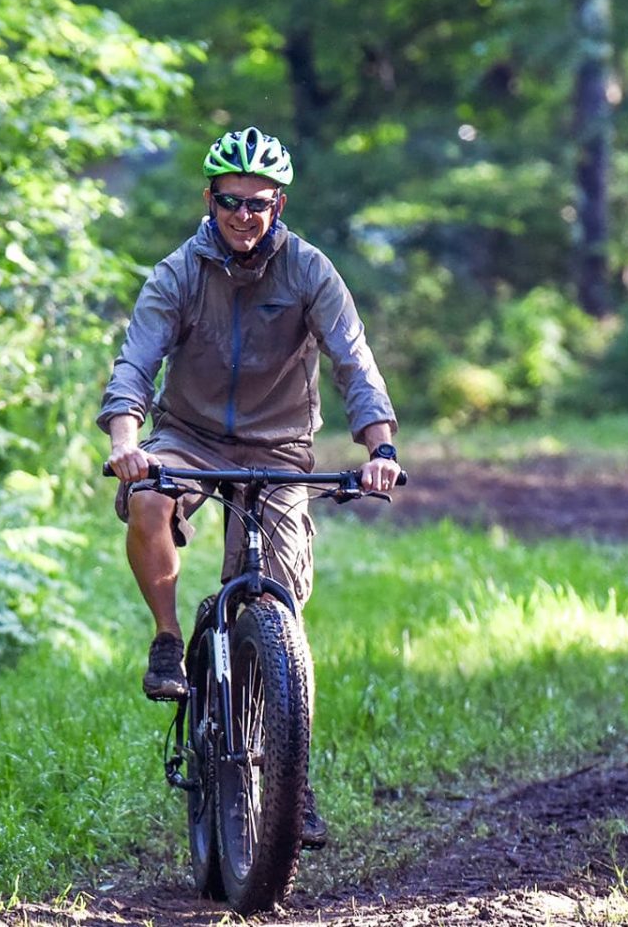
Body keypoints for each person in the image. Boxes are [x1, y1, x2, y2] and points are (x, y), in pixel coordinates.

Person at [98, 126, 401, 850]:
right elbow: (135, 362)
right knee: (148, 501)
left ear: (279, 205)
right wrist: (125, 444)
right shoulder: (177, 272)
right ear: (209, 199)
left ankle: (290, 785)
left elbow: (354, 363)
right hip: (189, 438)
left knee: (276, 605)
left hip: (279, 449)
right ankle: (170, 641)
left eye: (259, 204)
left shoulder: (309, 270)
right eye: (230, 201)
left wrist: (380, 448)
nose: (243, 215)